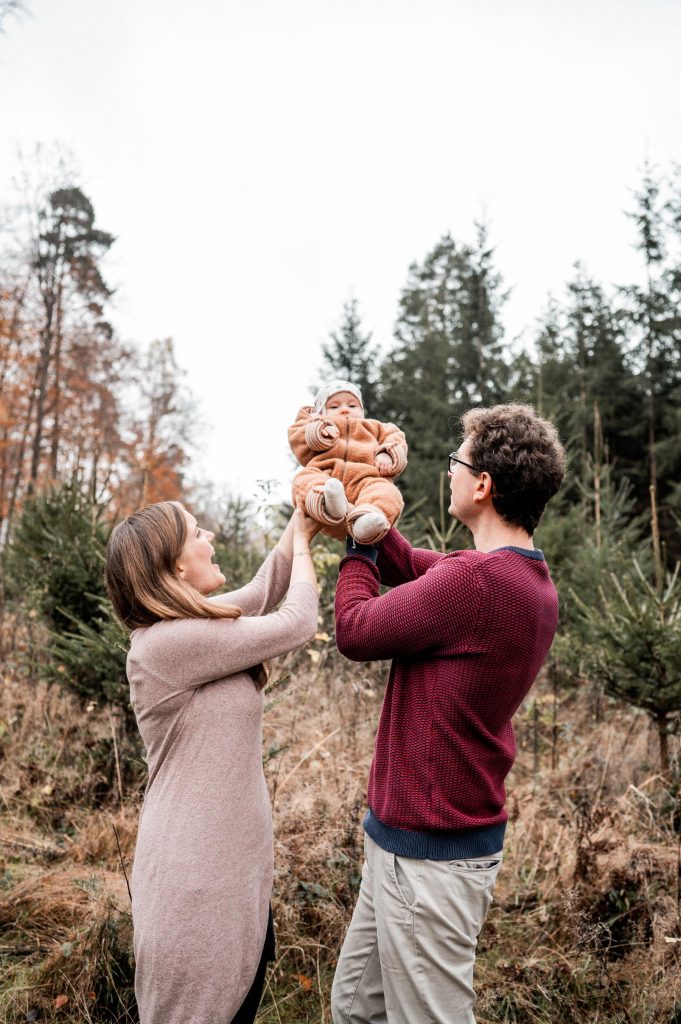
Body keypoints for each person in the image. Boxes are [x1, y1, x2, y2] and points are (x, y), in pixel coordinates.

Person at [330, 403, 566, 1024]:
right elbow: (413, 567)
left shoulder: (478, 585)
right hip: (407, 837)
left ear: (483, 485)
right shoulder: (524, 581)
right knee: (355, 1008)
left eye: (457, 462)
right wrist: (369, 511)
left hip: (430, 855)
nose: (450, 473)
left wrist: (357, 548)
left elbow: (354, 630)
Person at [105, 501, 320, 1024]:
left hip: (231, 869)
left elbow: (262, 590)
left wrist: (303, 511)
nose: (212, 536)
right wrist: (310, 544)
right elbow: (296, 621)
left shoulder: (187, 631)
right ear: (177, 565)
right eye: (199, 532)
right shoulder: (166, 645)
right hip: (196, 880)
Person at [288, 379, 408, 544]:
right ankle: (326, 501)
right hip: (326, 473)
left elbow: (396, 438)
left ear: (362, 410)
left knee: (387, 491)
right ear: (321, 412)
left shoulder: (374, 427)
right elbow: (298, 438)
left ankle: (368, 519)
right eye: (334, 407)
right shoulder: (319, 424)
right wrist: (319, 430)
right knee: (303, 480)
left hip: (366, 478)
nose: (344, 410)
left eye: (352, 406)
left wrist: (387, 454)